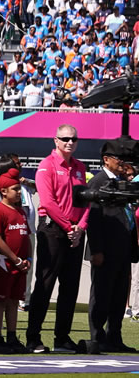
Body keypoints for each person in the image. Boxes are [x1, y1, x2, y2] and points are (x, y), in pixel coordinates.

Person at [27, 124, 86, 354]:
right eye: (65, 139)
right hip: (52, 230)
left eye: (73, 139)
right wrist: (68, 226)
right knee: (45, 284)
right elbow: (48, 202)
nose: (70, 142)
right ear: (56, 140)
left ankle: (62, 338)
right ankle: (33, 338)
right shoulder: (46, 166)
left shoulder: (80, 167)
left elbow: (85, 202)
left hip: (75, 232)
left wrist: (80, 227)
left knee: (70, 287)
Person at [86, 139, 139, 353]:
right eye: (119, 159)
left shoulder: (121, 182)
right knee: (101, 294)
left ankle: (114, 337)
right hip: (105, 250)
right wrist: (96, 249)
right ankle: (97, 338)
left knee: (118, 296)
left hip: (123, 248)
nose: (123, 163)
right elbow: (93, 218)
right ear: (106, 160)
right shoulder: (99, 182)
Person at [0, 169, 30, 353]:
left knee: (14, 301)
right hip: (4, 263)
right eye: (15, 189)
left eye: (19, 189)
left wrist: (27, 259)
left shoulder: (20, 211)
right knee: (0, 300)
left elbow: (25, 236)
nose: (19, 192)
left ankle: (12, 337)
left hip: (20, 264)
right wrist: (15, 259)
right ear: (3, 191)